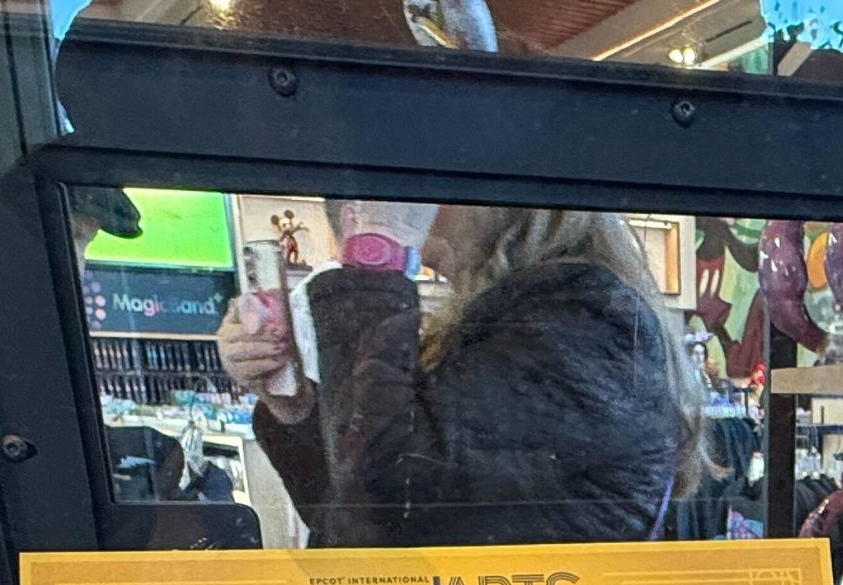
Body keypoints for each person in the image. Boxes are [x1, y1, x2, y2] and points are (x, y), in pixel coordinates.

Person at [216, 205, 701, 546]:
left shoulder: (580, 322)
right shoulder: (533, 319)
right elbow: (355, 517)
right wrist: (293, 403)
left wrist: (376, 253)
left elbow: (389, 503)